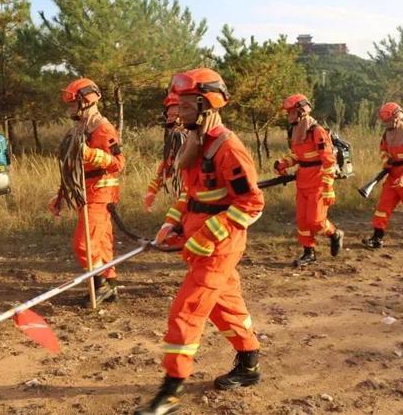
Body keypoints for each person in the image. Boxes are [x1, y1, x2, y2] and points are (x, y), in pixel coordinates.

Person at [135, 68, 264, 415]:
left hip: (219, 246)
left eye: (187, 104)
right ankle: (249, 364)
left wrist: (207, 235)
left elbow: (251, 204)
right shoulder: (197, 141)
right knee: (226, 306)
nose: (179, 109)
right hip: (198, 240)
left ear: (208, 103)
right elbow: (194, 196)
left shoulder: (228, 149)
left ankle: (170, 392)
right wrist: (172, 224)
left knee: (186, 311)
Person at [48, 78, 125, 305]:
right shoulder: (79, 128)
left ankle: (98, 284)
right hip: (85, 191)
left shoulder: (103, 128)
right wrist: (60, 196)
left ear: (86, 101)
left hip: (100, 193)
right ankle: (109, 286)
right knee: (101, 243)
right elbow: (71, 167)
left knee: (84, 244)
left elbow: (119, 163)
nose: (70, 108)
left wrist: (92, 155)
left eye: (73, 103)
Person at [273, 94, 343, 266]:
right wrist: (283, 163)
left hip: (318, 181)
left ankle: (334, 234)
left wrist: (328, 187)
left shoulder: (317, 131)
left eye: (290, 112)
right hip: (303, 180)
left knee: (316, 221)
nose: (288, 115)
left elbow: (329, 161)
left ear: (301, 111)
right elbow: (298, 156)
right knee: (302, 220)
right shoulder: (296, 130)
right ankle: (309, 253)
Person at [363, 102, 403, 249]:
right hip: (392, 175)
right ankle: (377, 238)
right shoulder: (387, 134)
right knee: (383, 207)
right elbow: (383, 151)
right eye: (383, 121)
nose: (385, 124)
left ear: (397, 118)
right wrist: (387, 161)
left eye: (387, 121)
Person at [143, 91, 184, 212]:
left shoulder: (199, 142)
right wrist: (150, 195)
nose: (171, 120)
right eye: (169, 115)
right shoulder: (174, 143)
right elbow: (165, 171)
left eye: (175, 115)